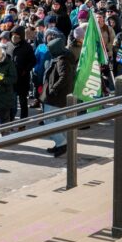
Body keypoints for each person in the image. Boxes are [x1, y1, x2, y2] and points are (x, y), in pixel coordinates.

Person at [40, 29, 74, 158]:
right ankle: (61, 144)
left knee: (48, 121)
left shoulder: (61, 60)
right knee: (60, 120)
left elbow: (64, 77)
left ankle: (62, 142)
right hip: (59, 96)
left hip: (55, 96)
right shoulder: (63, 58)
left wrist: (53, 88)